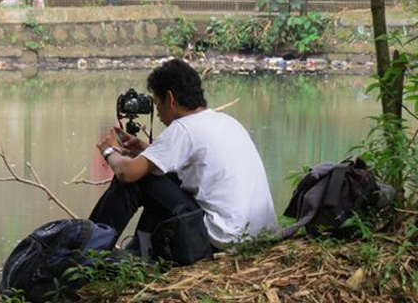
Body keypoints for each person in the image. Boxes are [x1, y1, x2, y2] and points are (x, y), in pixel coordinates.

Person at [90, 59, 278, 255]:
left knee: (137, 180)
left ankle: (87, 252)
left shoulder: (184, 128)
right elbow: (189, 166)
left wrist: (110, 151)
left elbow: (126, 173)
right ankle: (140, 252)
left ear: (170, 98)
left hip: (221, 239)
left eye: (157, 103)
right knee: (159, 176)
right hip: (257, 236)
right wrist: (147, 151)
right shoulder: (227, 122)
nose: (159, 112)